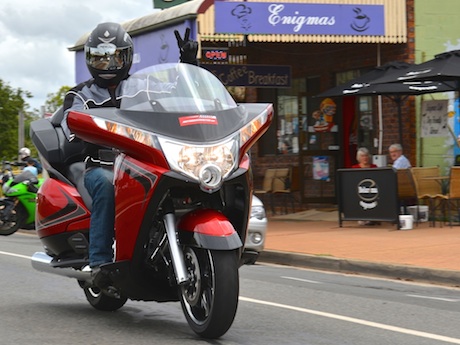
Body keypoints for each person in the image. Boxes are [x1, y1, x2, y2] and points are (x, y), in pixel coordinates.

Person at [61, 22, 198, 270]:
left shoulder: (145, 86)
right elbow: (70, 120)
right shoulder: (80, 95)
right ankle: (100, 262)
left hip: (144, 163)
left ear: (127, 57)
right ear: (90, 60)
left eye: (114, 58)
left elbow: (179, 95)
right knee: (104, 184)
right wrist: (79, 130)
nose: (108, 65)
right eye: (100, 59)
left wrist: (188, 64)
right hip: (102, 166)